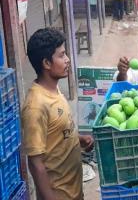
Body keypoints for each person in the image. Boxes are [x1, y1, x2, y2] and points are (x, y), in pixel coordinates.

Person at [22, 28, 94, 200]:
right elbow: (35, 161)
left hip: (74, 190)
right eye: (61, 55)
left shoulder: (54, 91)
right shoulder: (35, 106)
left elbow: (56, 133)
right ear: (46, 63)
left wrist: (79, 139)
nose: (68, 59)